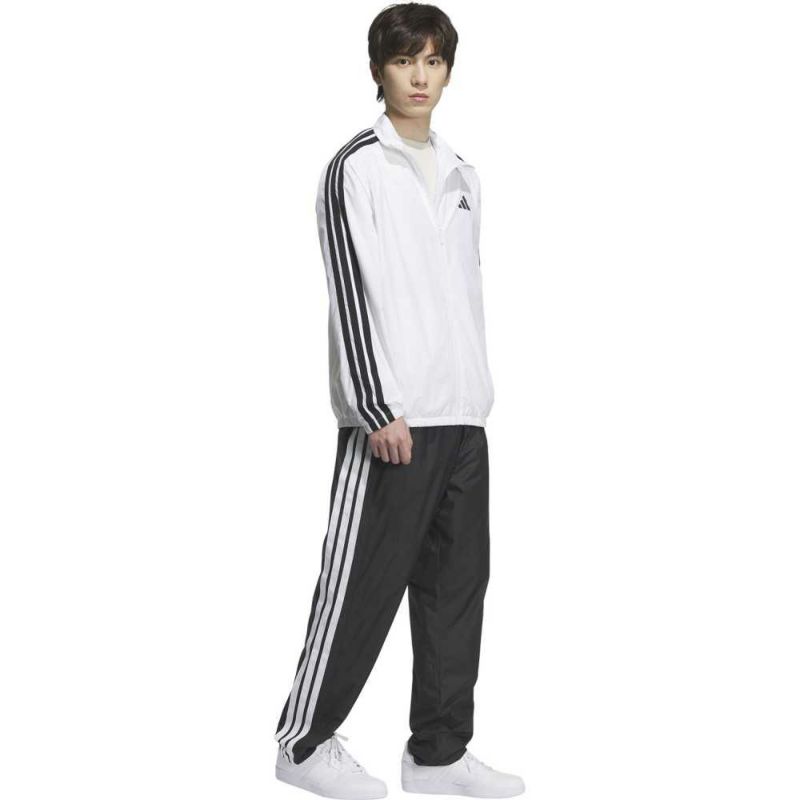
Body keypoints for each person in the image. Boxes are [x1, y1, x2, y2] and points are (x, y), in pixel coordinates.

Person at [274, 4, 524, 798]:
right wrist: (377, 407)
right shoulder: (357, 166)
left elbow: (463, 295)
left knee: (457, 592)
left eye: (433, 61)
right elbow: (351, 293)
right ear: (378, 69)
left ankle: (439, 754)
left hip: (462, 418)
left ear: (448, 70)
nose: (420, 76)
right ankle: (303, 744)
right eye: (404, 60)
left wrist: (476, 397)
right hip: (394, 420)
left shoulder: (463, 173)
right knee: (360, 586)